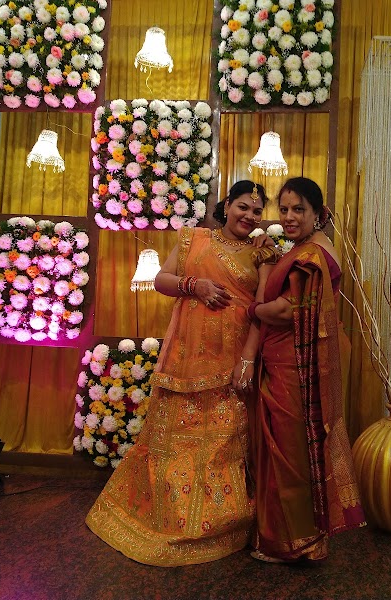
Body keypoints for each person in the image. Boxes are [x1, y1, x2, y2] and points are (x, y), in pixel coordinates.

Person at [86, 180, 278, 566]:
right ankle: (166, 518)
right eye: (243, 206)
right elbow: (161, 280)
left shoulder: (262, 254)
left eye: (257, 211)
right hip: (185, 360)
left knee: (223, 445)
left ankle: (219, 525)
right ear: (227, 205)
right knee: (173, 443)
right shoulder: (194, 239)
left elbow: (261, 311)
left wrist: (247, 360)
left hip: (230, 362)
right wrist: (195, 285)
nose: (249, 216)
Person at [247, 177, 366, 563]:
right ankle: (298, 537)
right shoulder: (306, 249)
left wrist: (250, 308)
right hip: (293, 360)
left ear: (318, 213)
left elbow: (286, 311)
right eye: (283, 209)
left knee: (290, 452)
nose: (289, 216)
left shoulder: (312, 256)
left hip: (294, 364)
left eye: (299, 209)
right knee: (294, 446)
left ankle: (297, 543)